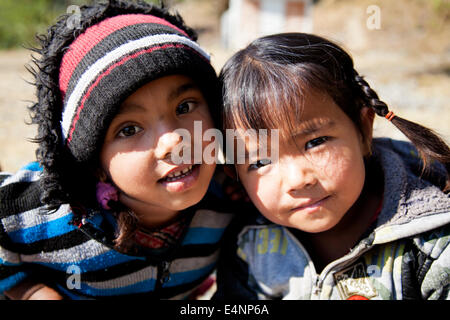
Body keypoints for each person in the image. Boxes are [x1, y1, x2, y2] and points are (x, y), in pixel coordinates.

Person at [0, 0, 236, 300]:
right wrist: (32, 291)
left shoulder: (231, 197)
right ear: (93, 162)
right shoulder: (47, 211)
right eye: (129, 129)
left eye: (184, 107)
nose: (173, 142)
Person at [214, 33, 450, 300]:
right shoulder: (247, 245)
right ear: (235, 174)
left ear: (363, 129)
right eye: (260, 161)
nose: (297, 179)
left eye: (315, 142)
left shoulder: (431, 245)